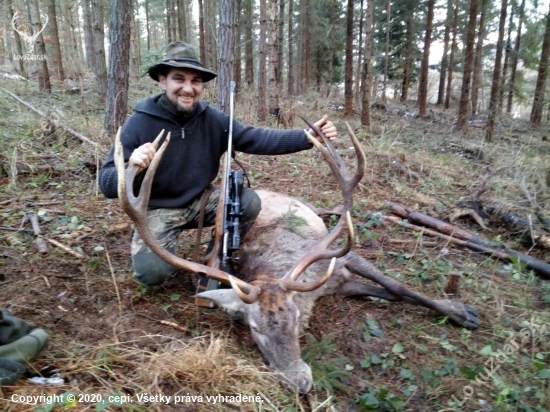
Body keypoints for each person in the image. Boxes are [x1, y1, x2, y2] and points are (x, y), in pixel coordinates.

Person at [98, 41, 337, 288]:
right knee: (153, 276)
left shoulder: (212, 120)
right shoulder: (139, 123)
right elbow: (105, 182)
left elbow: (258, 138)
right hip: (159, 209)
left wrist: (307, 136)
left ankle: (217, 257)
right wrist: (131, 168)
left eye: (195, 81)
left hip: (201, 202)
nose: (188, 89)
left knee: (247, 201)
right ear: (163, 80)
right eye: (179, 79)